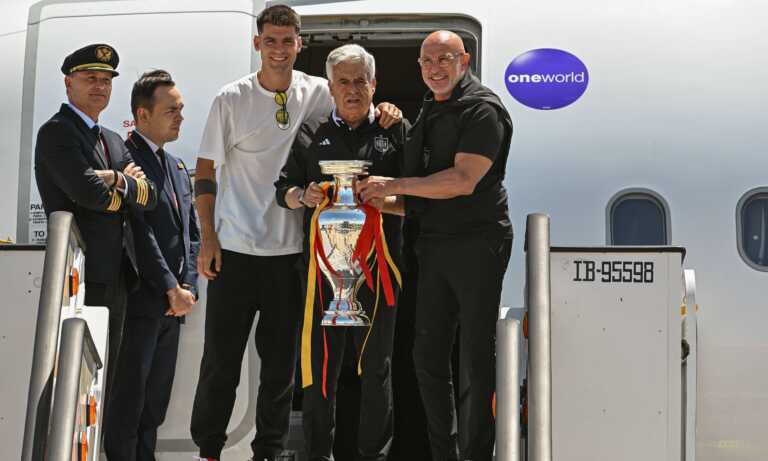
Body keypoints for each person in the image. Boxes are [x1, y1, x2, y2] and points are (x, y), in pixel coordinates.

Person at [189, 5, 401, 461]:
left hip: (294, 257)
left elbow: (356, 101)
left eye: (288, 41)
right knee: (220, 363)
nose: (280, 50)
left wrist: (386, 109)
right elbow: (204, 174)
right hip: (235, 249)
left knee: (281, 368)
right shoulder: (231, 98)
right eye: (271, 41)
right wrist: (207, 238)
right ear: (257, 44)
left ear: (299, 44)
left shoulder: (320, 91)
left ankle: (269, 452)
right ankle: (209, 449)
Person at [358, 30, 514, 461]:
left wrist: (395, 183)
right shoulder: (430, 109)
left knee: (474, 358)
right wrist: (370, 199)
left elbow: (462, 181)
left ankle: (477, 452)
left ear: (464, 60)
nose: (434, 68)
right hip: (433, 245)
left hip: (477, 244)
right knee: (426, 356)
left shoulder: (483, 110)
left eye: (444, 58)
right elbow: (416, 201)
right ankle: (443, 452)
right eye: (426, 61)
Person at [274, 44, 406, 461]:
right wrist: (305, 194)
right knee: (319, 369)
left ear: (374, 84)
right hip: (322, 273)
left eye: (360, 81)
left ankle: (373, 454)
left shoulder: (395, 130)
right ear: (330, 87)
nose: (353, 90)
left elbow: (420, 197)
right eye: (344, 82)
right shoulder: (312, 132)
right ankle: (318, 453)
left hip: (380, 269)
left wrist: (385, 197)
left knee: (377, 369)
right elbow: (284, 190)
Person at [34, 43, 157, 413]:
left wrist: (115, 180)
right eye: (90, 78)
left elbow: (150, 196)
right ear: (69, 84)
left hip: (116, 275)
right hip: (80, 277)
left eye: (106, 80)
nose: (99, 86)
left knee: (102, 386)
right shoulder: (57, 132)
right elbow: (90, 195)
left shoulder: (113, 140)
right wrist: (125, 187)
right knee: (75, 385)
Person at [103, 70, 200, 461]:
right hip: (141, 303)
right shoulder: (126, 161)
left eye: (181, 109)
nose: (180, 117)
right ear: (142, 115)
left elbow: (191, 232)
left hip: (173, 307)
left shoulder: (175, 166)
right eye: (171, 110)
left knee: (154, 407)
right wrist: (168, 285)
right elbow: (137, 231)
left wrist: (187, 285)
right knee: (128, 405)